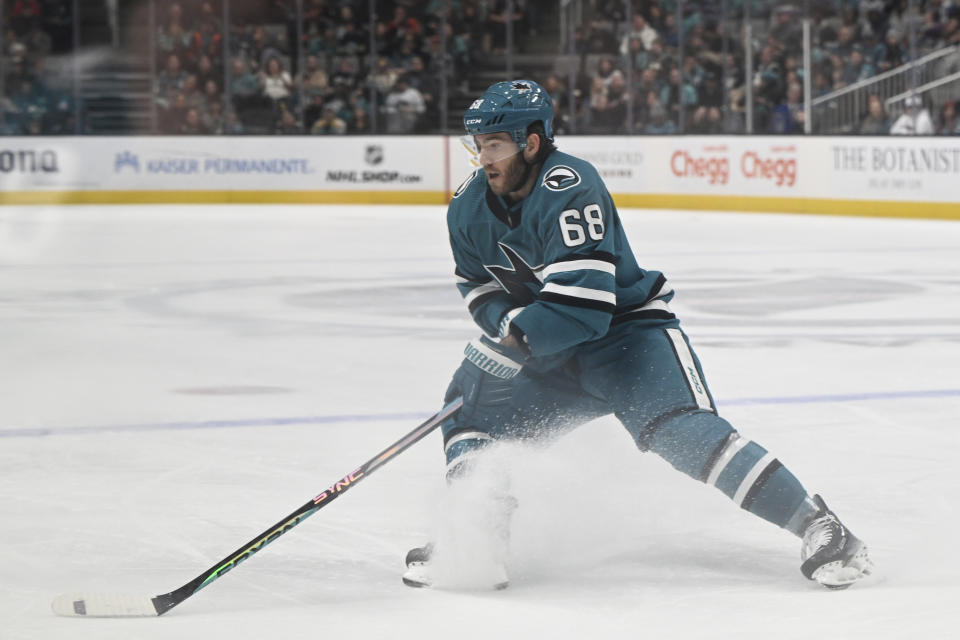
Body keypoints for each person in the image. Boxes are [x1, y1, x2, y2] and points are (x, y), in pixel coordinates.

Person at [403, 79, 874, 592]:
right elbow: (477, 282)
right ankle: (478, 541)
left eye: (494, 145)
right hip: (550, 351)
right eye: (478, 146)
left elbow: (583, 308)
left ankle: (820, 526)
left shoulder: (570, 184)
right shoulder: (466, 208)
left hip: (625, 338)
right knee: (471, 413)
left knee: (681, 433)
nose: (483, 158)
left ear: (531, 142)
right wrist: (502, 330)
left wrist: (512, 342)